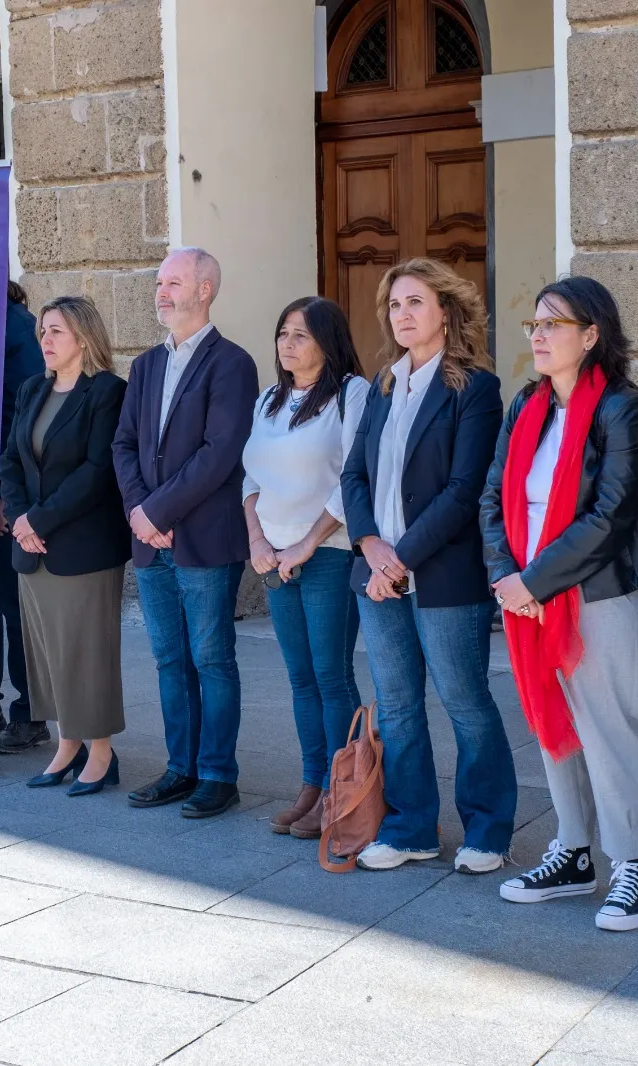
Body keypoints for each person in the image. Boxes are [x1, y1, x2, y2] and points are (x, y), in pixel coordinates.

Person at [481, 276, 638, 931]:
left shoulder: (621, 408)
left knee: (612, 730)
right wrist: (508, 575)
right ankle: (574, 851)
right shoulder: (525, 407)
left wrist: (535, 582)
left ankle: (634, 869)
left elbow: (611, 513)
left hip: (599, 595)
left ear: (591, 336)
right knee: (552, 723)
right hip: (527, 595)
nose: (537, 334)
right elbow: (493, 498)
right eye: (534, 323)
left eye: (553, 324)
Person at [341, 258, 516, 874]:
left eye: (416, 302)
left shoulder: (475, 388)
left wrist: (401, 557)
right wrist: (369, 547)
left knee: (465, 700)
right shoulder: (382, 385)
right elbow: (354, 474)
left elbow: (466, 489)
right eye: (394, 305)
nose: (403, 314)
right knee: (395, 706)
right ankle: (411, 826)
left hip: (441, 574)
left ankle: (488, 831)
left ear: (446, 310)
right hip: (376, 573)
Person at [112, 247, 259, 819]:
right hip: (150, 540)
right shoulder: (147, 364)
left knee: (212, 658)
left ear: (205, 290)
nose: (161, 291)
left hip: (203, 541)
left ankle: (219, 775)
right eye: (158, 282)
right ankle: (182, 768)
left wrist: (159, 513)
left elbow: (220, 453)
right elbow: (123, 443)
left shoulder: (232, 364)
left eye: (173, 282)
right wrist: (138, 512)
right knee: (170, 660)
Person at [242, 297, 367, 839]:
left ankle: (346, 792)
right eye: (282, 333)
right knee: (300, 680)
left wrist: (307, 545)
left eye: (300, 335)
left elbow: (353, 477)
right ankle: (312, 785)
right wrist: (258, 540)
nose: (286, 344)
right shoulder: (268, 399)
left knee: (331, 677)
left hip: (327, 557)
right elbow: (249, 479)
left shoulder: (351, 395)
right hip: (273, 558)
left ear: (328, 342)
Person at [2, 295, 132, 794]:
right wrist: (19, 520)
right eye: (42, 332)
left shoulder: (106, 393)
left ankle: (101, 752)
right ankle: (67, 744)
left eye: (55, 331)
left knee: (87, 653)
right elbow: (10, 459)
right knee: (48, 654)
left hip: (82, 546)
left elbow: (97, 472)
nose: (45, 340)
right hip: (32, 546)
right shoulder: (34, 387)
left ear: (83, 337)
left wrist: (39, 519)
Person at [0, 282, 47, 753]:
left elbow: (21, 421)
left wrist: (4, 496)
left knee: (12, 606)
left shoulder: (15, 328)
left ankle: (30, 713)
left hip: (3, 494)